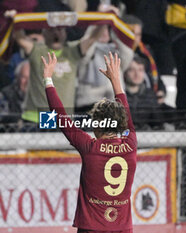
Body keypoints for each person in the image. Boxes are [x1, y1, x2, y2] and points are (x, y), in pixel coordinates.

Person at [42, 51, 137, 233]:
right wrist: (116, 81)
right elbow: (127, 119)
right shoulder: (131, 143)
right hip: (122, 228)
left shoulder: (90, 147)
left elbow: (61, 118)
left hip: (92, 228)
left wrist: (48, 80)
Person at [124, 56, 162, 129]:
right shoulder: (115, 95)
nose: (137, 74)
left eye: (140, 70)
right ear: (125, 73)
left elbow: (158, 122)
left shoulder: (150, 95)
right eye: (132, 70)